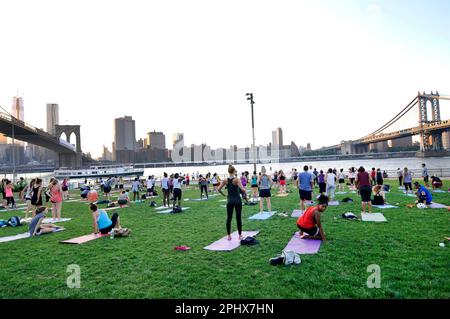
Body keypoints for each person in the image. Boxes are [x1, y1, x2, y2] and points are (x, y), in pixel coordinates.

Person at [217, 165, 247, 241]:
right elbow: (242, 189)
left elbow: (219, 189)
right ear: (234, 171)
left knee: (229, 218)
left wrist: (225, 195)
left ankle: (229, 236)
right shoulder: (237, 180)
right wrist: (245, 193)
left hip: (229, 200)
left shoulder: (225, 180)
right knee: (238, 218)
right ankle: (240, 235)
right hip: (237, 200)